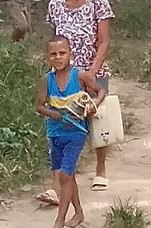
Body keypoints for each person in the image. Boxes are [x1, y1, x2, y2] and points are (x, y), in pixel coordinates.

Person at [39, 0, 113, 201]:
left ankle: (100, 169)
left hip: (92, 71)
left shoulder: (98, 2)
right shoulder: (55, 5)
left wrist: (91, 73)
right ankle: (57, 184)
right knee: (60, 124)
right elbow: (54, 40)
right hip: (62, 74)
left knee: (95, 118)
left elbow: (104, 41)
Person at [35, 35, 106, 228]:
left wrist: (94, 105)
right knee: (67, 175)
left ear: (70, 54)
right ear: (48, 58)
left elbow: (100, 91)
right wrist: (54, 114)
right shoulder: (46, 80)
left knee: (64, 176)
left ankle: (59, 220)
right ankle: (79, 213)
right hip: (55, 133)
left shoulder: (80, 76)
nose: (58, 57)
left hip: (76, 133)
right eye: (53, 54)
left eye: (62, 53)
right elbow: (39, 107)